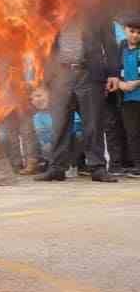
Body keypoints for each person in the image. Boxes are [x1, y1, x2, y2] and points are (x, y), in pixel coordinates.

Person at [37, 11, 122, 182]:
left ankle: (97, 168)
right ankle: (57, 167)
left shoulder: (99, 11)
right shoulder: (57, 10)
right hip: (61, 74)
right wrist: (44, 80)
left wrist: (113, 73)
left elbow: (110, 43)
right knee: (59, 124)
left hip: (89, 73)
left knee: (93, 123)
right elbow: (46, 46)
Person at [111, 18, 140, 177]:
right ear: (125, 30)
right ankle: (135, 164)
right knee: (131, 132)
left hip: (137, 92)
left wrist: (136, 83)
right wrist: (122, 85)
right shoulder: (120, 48)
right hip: (127, 98)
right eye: (132, 31)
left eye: (139, 33)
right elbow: (114, 69)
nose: (135, 35)